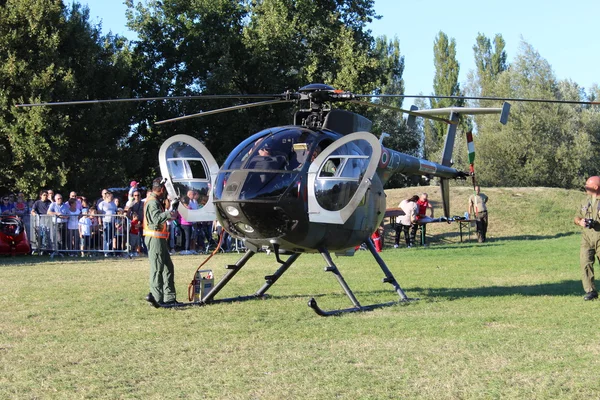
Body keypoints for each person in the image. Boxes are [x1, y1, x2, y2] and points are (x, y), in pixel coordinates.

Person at [144, 178, 179, 307]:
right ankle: (157, 298)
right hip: (155, 239)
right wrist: (169, 213)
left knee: (168, 267)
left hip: (159, 238)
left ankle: (169, 298)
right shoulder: (152, 202)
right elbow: (156, 218)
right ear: (162, 189)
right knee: (157, 269)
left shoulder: (155, 201)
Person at [574, 176, 600, 301]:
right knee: (585, 263)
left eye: (587, 186)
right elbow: (576, 217)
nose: (585, 188)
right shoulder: (585, 201)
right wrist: (580, 222)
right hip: (587, 237)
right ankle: (590, 291)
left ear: (596, 187)